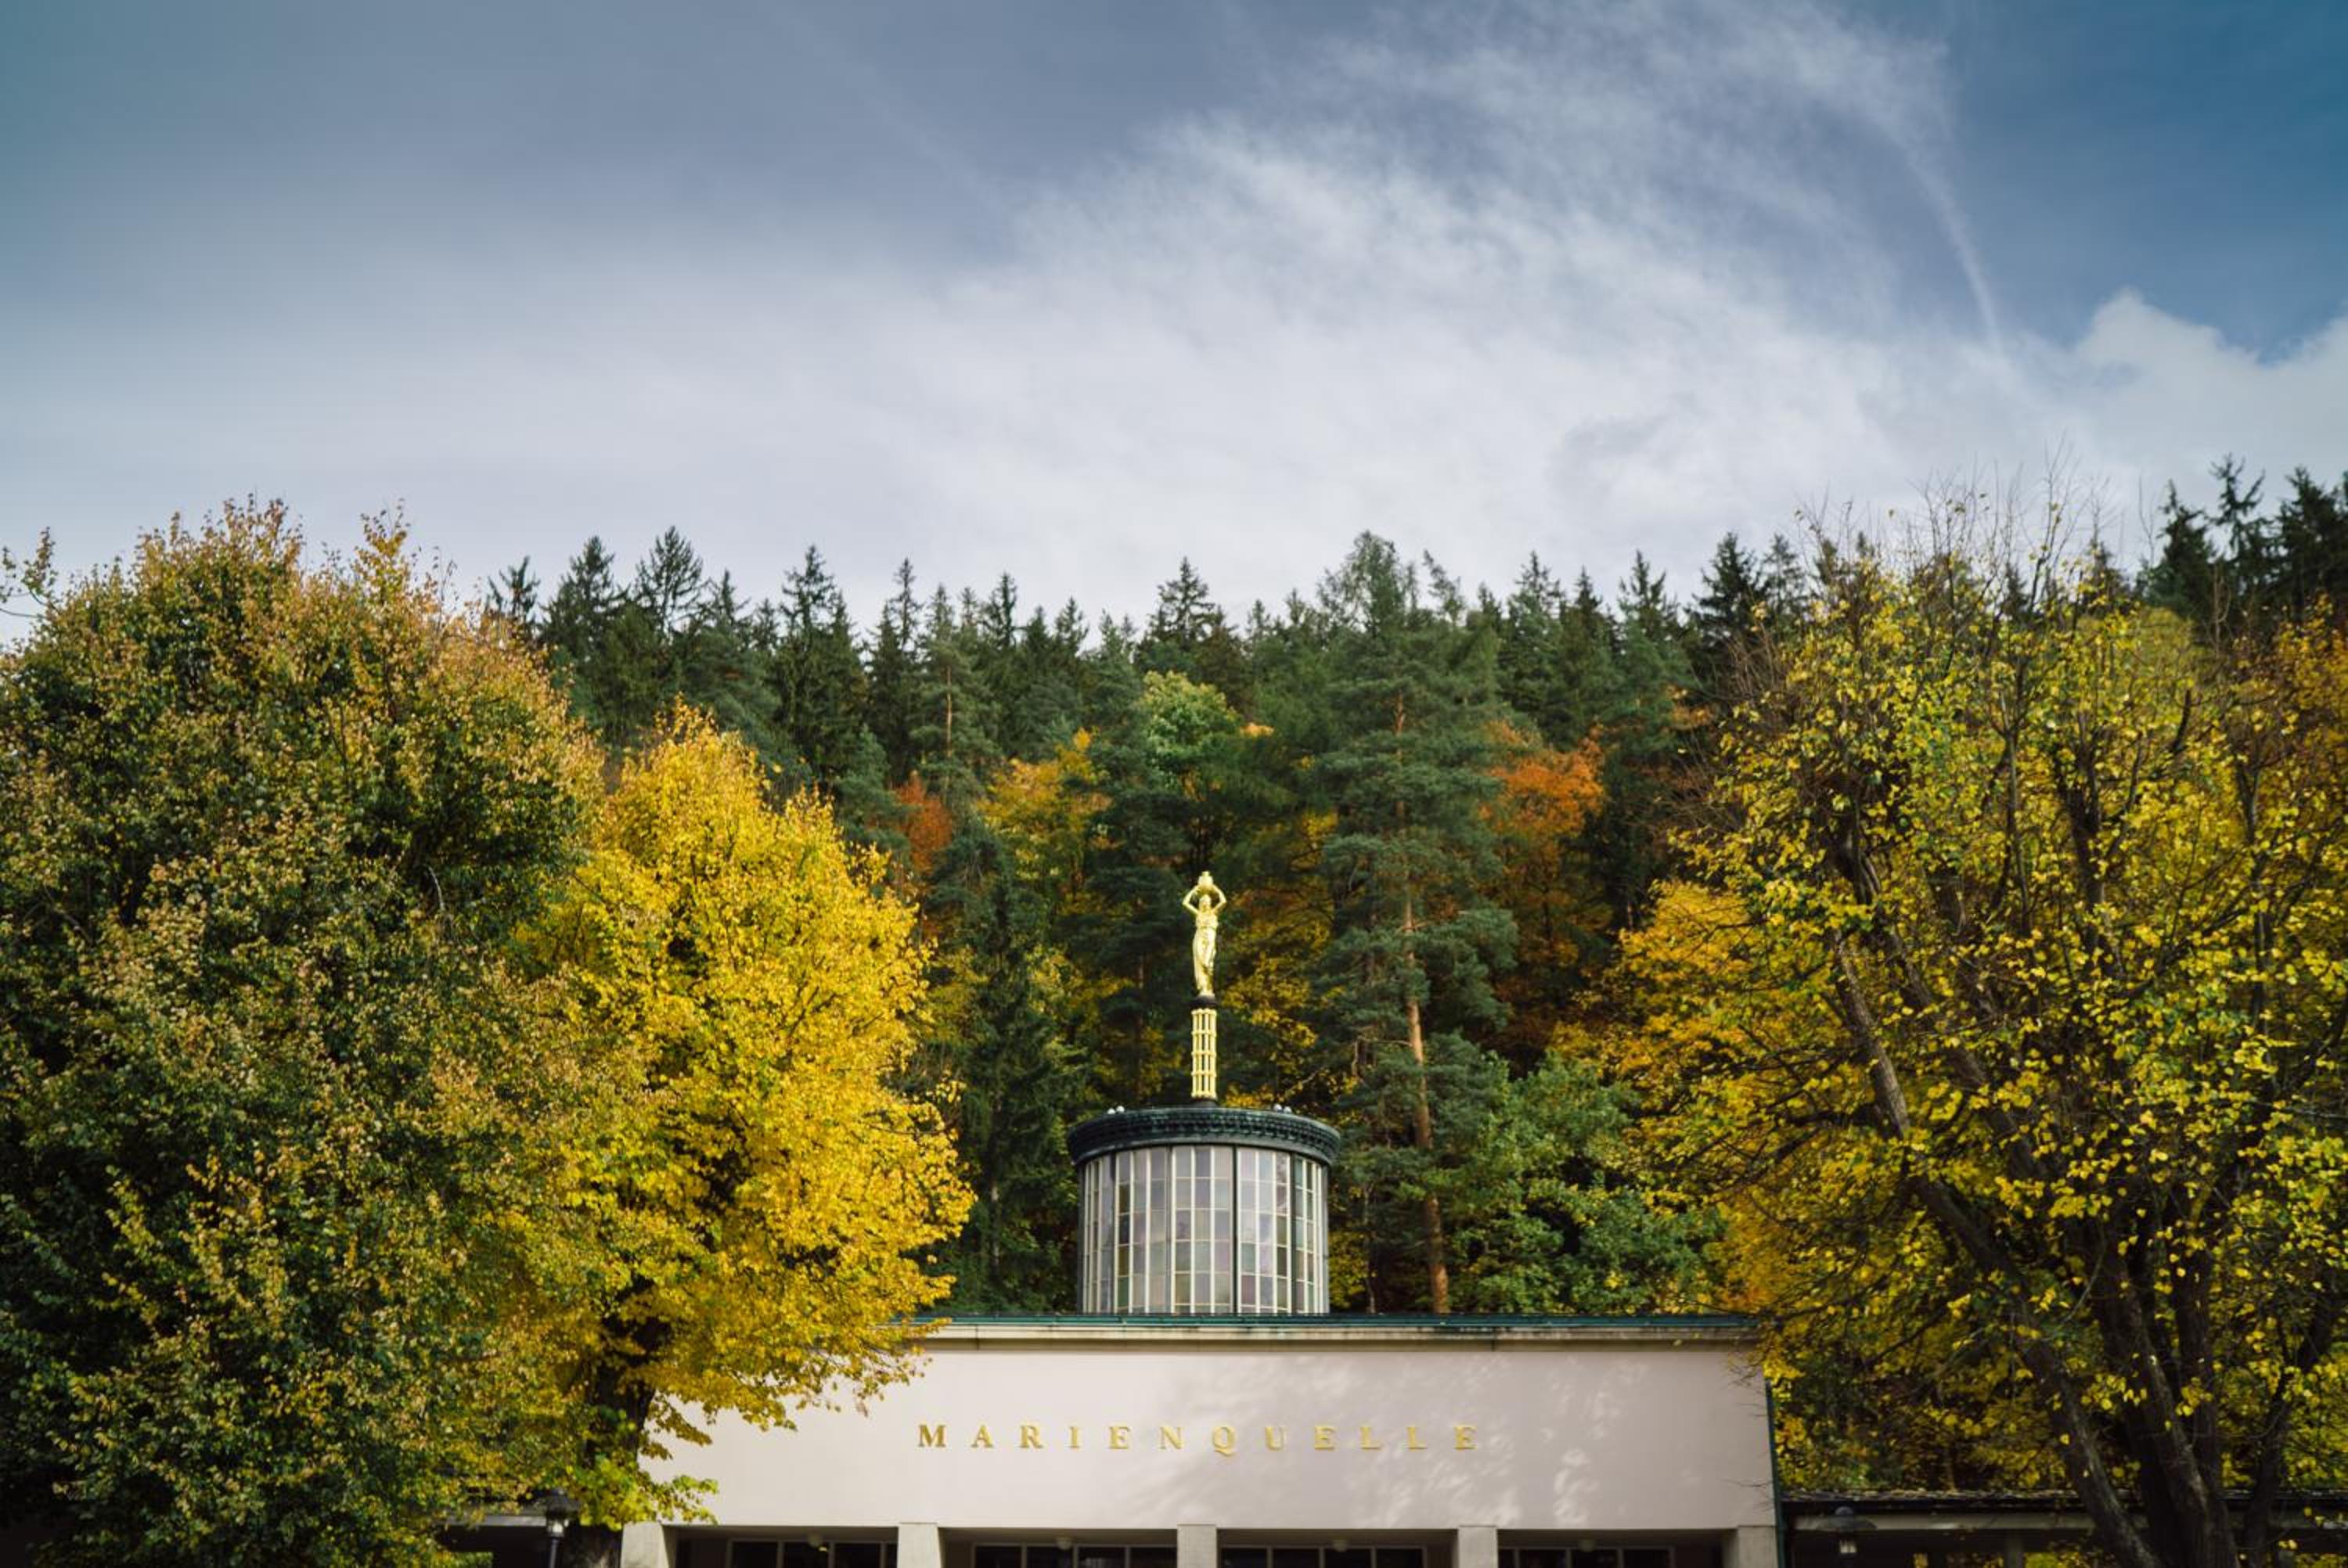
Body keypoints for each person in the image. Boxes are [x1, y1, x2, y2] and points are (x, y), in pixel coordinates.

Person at [1181, 871, 1226, 998]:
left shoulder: (1214, 913)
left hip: (1210, 935)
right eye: (1203, 903)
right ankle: (1203, 988)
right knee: (1200, 962)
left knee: (1207, 962)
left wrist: (1215, 889)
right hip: (1199, 936)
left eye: (1207, 902)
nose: (1205, 904)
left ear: (1210, 904)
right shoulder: (1199, 914)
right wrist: (1194, 890)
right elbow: (1185, 903)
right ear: (1200, 905)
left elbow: (1223, 901)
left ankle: (1209, 986)